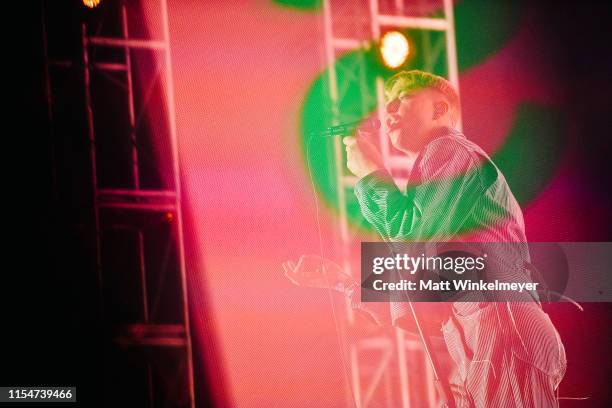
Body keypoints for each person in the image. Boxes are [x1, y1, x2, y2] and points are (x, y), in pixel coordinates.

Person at [283, 70, 567, 407]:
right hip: (480, 339)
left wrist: (372, 177)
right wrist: (342, 282)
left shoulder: (449, 149)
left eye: (402, 98)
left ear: (438, 109)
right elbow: (418, 287)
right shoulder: (436, 173)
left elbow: (412, 237)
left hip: (500, 330)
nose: (388, 110)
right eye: (386, 103)